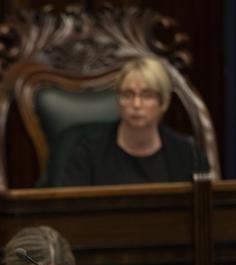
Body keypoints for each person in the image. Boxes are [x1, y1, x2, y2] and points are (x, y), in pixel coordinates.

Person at [62, 56, 209, 186]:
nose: (136, 104)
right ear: (118, 100)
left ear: (163, 103)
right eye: (127, 94)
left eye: (147, 95)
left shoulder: (188, 154)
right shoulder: (88, 153)